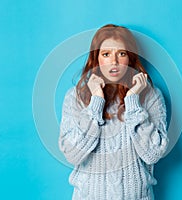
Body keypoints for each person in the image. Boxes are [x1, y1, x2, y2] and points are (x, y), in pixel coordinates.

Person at [59, 24, 168, 200]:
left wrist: (133, 101)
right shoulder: (76, 97)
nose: (114, 62)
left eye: (121, 54)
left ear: (130, 58)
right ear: (96, 59)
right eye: (106, 54)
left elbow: (153, 154)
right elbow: (73, 154)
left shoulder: (150, 96)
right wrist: (96, 102)